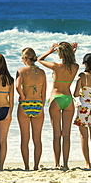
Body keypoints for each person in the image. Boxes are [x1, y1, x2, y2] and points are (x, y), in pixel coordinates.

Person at [38, 42, 79, 170]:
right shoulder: (75, 67)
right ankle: (66, 164)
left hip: (56, 99)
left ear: (60, 54)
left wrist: (50, 51)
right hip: (68, 99)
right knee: (66, 135)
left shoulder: (56, 67)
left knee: (57, 134)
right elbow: (70, 62)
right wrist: (72, 52)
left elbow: (39, 59)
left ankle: (57, 164)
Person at [16, 48, 47, 170]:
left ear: (25, 58)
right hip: (38, 104)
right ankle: (36, 166)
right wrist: (42, 105)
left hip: (25, 104)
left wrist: (23, 96)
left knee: (25, 138)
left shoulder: (21, 71)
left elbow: (18, 86)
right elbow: (44, 92)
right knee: (37, 139)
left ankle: (26, 166)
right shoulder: (42, 72)